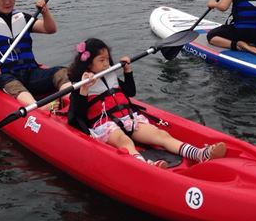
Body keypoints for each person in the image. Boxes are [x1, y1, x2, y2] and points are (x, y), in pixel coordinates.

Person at [67, 38, 226, 168]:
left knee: (161, 135)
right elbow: (75, 118)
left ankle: (199, 154)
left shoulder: (109, 74)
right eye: (101, 60)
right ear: (88, 63)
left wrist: (127, 72)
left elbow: (130, 92)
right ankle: (147, 167)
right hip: (104, 125)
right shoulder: (81, 82)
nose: (106, 64)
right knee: (125, 141)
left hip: (128, 119)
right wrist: (84, 90)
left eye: (107, 59)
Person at [0, 0, 71, 107]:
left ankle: (69, 101)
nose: (8, 2)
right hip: (5, 75)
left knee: (62, 72)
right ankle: (38, 109)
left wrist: (45, 12)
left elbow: (50, 29)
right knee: (12, 84)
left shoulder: (22, 18)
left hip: (30, 72)